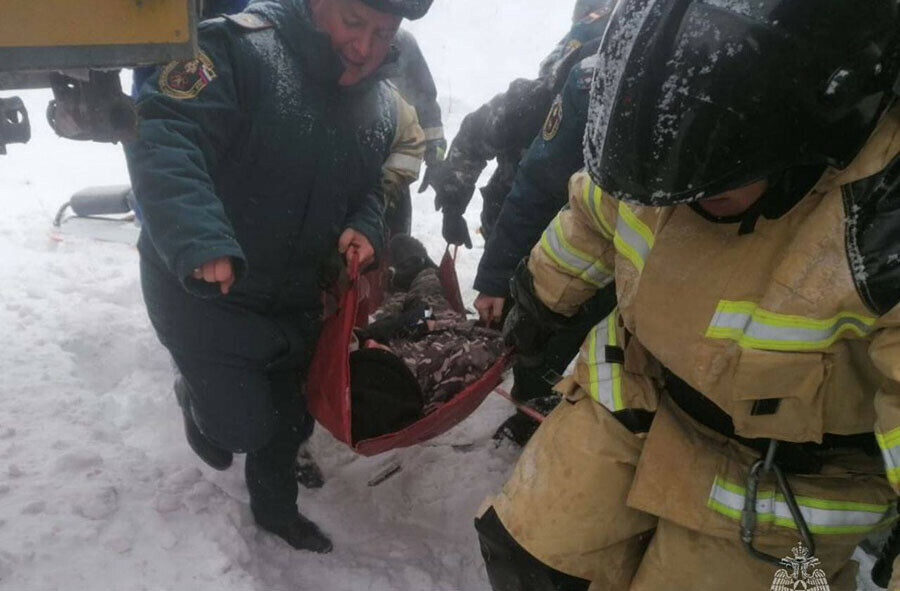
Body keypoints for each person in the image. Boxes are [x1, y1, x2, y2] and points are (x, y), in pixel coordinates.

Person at [476, 1, 900, 589]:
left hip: (782, 491)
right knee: (530, 562)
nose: (671, 203)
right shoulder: (665, 131)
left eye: (711, 188)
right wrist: (538, 296)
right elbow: (595, 215)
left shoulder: (881, 218)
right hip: (636, 398)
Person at [124, 0, 432, 553]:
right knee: (240, 430)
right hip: (206, 290)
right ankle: (196, 399)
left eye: (383, 33)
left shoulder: (382, 107)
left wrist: (364, 225)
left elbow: (367, 188)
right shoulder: (239, 51)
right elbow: (165, 126)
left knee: (291, 421)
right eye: (354, 23)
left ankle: (275, 511)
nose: (365, 48)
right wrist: (199, 237)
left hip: (296, 298)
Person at [473, 52, 614, 445]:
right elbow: (536, 184)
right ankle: (532, 407)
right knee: (537, 327)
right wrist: (497, 278)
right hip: (585, 241)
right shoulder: (591, 80)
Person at [426, 0, 614, 249]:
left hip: (583, 253)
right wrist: (452, 205)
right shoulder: (528, 105)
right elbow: (473, 137)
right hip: (508, 232)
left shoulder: (619, 124)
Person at [383, 29, 446, 236]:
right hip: (337, 177)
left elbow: (424, 98)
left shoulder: (402, 42)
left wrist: (435, 153)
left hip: (393, 172)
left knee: (395, 250)